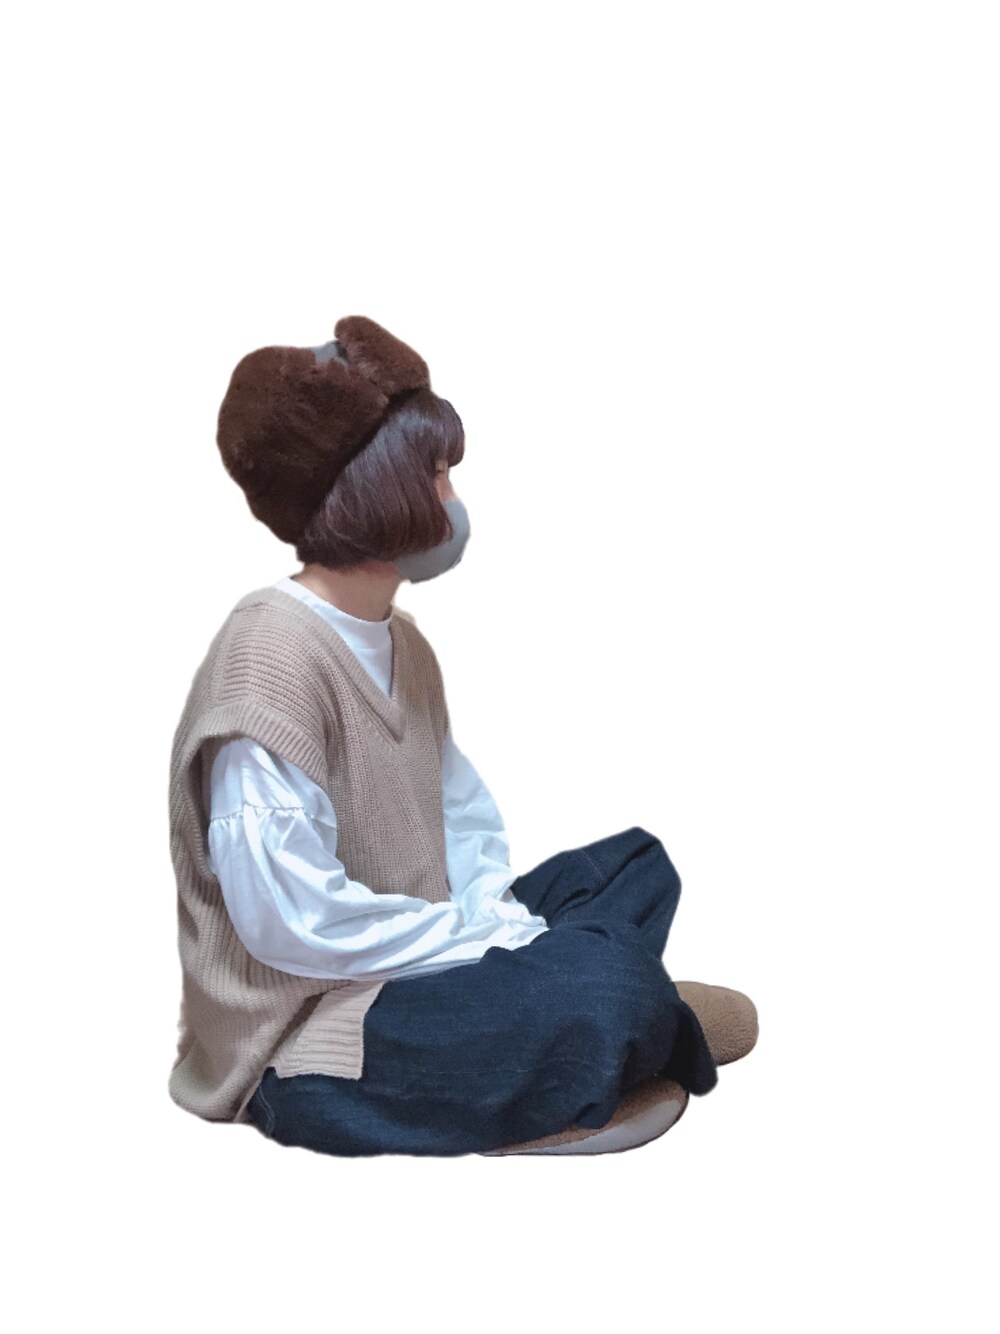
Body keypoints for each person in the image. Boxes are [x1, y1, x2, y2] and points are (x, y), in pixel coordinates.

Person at [166, 314, 758, 1158]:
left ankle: (604, 1016)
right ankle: (616, 1020)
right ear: (374, 487)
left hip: (416, 947)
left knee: (636, 866)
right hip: (309, 1027)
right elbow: (293, 925)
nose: (451, 498)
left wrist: (492, 921)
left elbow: (460, 817)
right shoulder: (268, 657)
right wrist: (491, 944)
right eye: (436, 473)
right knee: (604, 985)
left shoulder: (404, 644)